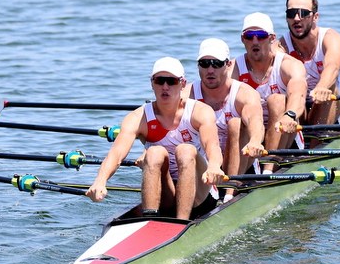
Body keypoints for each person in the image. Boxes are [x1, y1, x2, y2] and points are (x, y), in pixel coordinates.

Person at [86, 57, 224, 220]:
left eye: (171, 81)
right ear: (152, 84)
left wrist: (214, 166)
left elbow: (212, 146)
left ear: (183, 83)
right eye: (160, 81)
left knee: (185, 150)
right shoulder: (139, 117)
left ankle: (181, 222)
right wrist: (100, 181)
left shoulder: (199, 111)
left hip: (200, 193)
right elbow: (116, 154)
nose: (165, 87)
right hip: (166, 192)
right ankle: (150, 218)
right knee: (154, 153)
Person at [186, 37, 265, 201]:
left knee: (235, 123)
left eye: (216, 64)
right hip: (207, 166)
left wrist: (255, 141)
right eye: (204, 64)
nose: (210, 70)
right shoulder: (187, 95)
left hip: (242, 163)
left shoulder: (244, 94)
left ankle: (229, 195)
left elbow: (255, 120)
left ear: (228, 65)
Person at [232, 12, 308, 161]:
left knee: (276, 100)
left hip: (285, 135)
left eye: (260, 35)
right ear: (243, 39)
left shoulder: (288, 65)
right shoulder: (233, 69)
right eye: (249, 36)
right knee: (234, 122)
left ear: (272, 38)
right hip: (251, 138)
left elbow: (298, 92)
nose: (255, 41)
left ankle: (269, 169)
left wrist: (290, 115)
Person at [278, 0, 340, 125]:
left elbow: (332, 66)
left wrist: (322, 87)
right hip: (297, 110)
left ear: (315, 17)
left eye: (303, 13)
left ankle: (318, 141)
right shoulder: (281, 47)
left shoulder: (330, 39)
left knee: (330, 87)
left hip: (326, 106)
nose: (297, 19)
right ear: (286, 17)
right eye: (292, 14)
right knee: (277, 98)